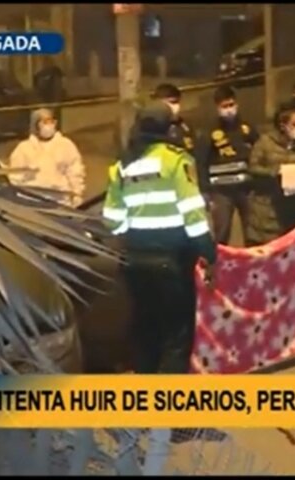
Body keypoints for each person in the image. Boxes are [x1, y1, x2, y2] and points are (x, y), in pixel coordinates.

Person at [102, 101, 217, 374]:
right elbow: (192, 213)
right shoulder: (176, 160)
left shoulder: (123, 165)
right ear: (168, 128)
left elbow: (112, 219)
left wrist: (134, 233)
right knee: (176, 337)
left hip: (134, 263)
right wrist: (208, 252)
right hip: (172, 262)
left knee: (145, 333)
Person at [245, 102, 295, 247]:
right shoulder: (265, 143)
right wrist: (275, 172)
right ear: (283, 126)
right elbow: (253, 167)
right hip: (269, 210)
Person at [200, 85, 259, 245]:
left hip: (246, 189)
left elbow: (259, 152)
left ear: (237, 104)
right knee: (222, 232)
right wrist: (205, 190)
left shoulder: (247, 129)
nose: (229, 110)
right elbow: (202, 161)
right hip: (221, 191)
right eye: (224, 106)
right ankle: (220, 261)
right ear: (217, 108)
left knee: (253, 232)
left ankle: (252, 260)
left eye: (231, 105)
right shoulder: (210, 132)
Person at [8, 108, 86, 208]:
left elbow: (75, 172)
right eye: (44, 122)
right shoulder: (23, 149)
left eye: (51, 122)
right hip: (33, 201)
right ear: (36, 125)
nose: (49, 126)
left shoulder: (66, 145)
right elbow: (15, 176)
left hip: (60, 200)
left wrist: (77, 193)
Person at [153, 83, 196, 155]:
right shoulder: (151, 125)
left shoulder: (184, 126)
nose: (177, 107)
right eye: (172, 102)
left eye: (178, 102)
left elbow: (190, 150)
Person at [33, 57, 65, 126]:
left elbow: (57, 92)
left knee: (54, 122)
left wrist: (54, 106)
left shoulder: (55, 74)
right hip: (44, 104)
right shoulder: (39, 75)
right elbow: (36, 91)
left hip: (52, 103)